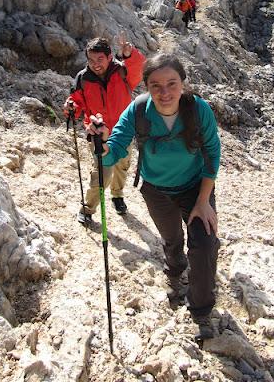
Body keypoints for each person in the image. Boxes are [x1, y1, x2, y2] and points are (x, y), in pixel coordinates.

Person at [91, 53, 221, 340]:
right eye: (155, 86)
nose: (165, 93)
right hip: (156, 190)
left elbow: (213, 153)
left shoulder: (199, 110)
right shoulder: (138, 111)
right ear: (146, 87)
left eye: (172, 84)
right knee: (172, 239)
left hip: (195, 188)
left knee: (205, 242)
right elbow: (115, 149)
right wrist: (101, 146)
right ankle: (175, 272)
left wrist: (203, 201)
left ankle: (201, 310)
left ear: (183, 84)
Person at [64, 35, 145, 225]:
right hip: (98, 132)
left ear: (110, 57)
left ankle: (117, 196)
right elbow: (76, 102)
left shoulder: (122, 72)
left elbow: (140, 69)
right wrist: (70, 107)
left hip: (124, 131)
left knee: (122, 167)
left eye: (100, 59)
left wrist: (129, 54)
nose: (95, 64)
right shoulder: (83, 78)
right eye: (91, 60)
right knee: (102, 173)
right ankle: (88, 208)